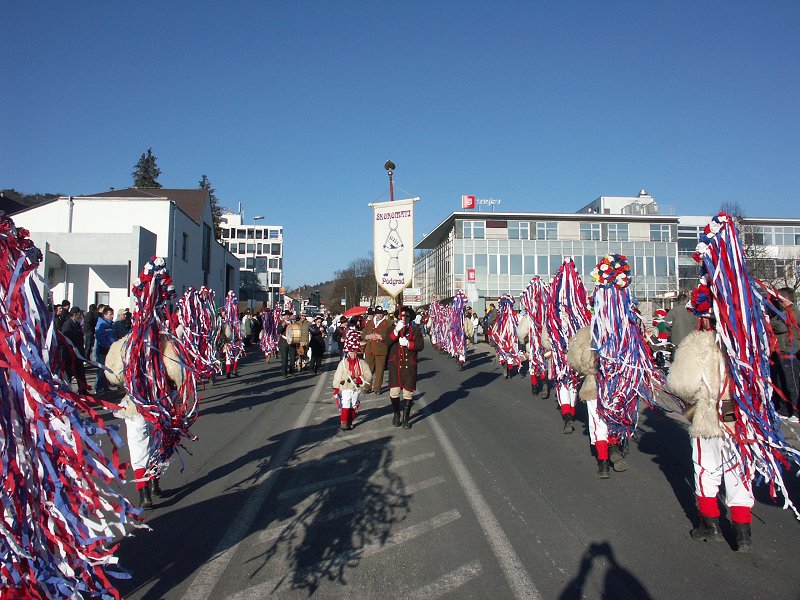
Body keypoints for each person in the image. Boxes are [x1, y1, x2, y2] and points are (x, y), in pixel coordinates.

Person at [385, 306, 424, 428]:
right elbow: (386, 342)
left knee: (408, 393)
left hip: (409, 366)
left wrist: (408, 343)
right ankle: (396, 413)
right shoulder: (392, 328)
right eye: (402, 315)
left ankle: (405, 418)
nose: (405, 318)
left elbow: (420, 345)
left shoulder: (415, 330)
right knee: (394, 391)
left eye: (407, 316)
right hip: (395, 365)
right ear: (398, 317)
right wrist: (396, 331)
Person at [769, 287, 800, 422]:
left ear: (785, 298)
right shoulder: (781, 311)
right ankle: (784, 409)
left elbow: (782, 326)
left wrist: (769, 323)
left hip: (790, 350)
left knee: (792, 382)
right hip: (780, 350)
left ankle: (797, 411)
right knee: (781, 381)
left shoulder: (793, 311)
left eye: (779, 297)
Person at [332, 329, 372, 430]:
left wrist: (361, 379)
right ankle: (344, 423)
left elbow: (369, 375)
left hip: (356, 387)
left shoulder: (362, 363)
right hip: (345, 386)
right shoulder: (343, 363)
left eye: (354, 352)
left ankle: (350, 422)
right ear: (348, 352)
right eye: (351, 352)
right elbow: (337, 375)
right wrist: (336, 387)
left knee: (353, 404)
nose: (352, 354)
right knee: (346, 402)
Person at [61, 306, 91, 394]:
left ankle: (83, 390)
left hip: (78, 353)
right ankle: (66, 392)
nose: (81, 315)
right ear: (75, 314)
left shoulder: (77, 324)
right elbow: (66, 339)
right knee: (69, 374)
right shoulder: (68, 324)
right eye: (79, 313)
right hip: (70, 354)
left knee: (80, 373)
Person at [362, 306, 390, 394]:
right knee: (368, 369)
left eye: (381, 313)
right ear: (375, 314)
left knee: (379, 370)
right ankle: (367, 386)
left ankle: (377, 388)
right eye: (378, 313)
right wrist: (368, 336)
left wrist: (381, 337)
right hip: (370, 349)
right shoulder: (370, 322)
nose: (379, 315)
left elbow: (391, 336)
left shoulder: (388, 323)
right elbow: (363, 334)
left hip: (381, 349)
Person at [93, 306, 115, 394]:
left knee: (107, 368)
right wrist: (108, 345)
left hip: (110, 349)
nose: (112, 316)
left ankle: (105, 386)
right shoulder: (101, 324)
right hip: (103, 350)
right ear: (105, 315)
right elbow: (100, 338)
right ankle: (98, 387)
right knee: (101, 368)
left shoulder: (110, 324)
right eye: (110, 314)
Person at [278, 310, 296, 378]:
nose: (287, 316)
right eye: (286, 315)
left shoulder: (293, 322)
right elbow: (278, 331)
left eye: (288, 315)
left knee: (293, 358)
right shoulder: (281, 322)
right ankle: (284, 373)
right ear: (284, 316)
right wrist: (282, 326)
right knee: (284, 359)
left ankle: (292, 371)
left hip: (292, 342)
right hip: (284, 341)